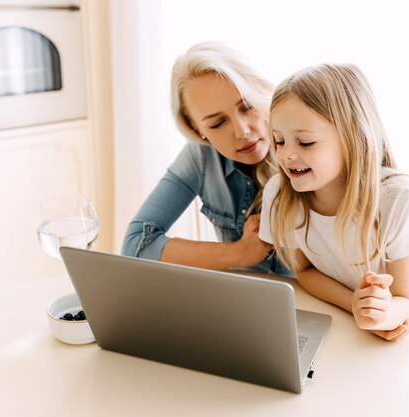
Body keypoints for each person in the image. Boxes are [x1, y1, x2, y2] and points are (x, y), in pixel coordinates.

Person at [259, 63, 409, 342]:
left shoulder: (397, 197)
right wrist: (356, 306)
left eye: (306, 143)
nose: (286, 155)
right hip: (354, 318)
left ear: (353, 137)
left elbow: (406, 300)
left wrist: (381, 316)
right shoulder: (280, 194)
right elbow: (305, 271)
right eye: (279, 141)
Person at [122, 41, 291, 276]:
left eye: (247, 106)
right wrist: (239, 253)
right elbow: (136, 245)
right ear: (196, 128)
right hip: (244, 303)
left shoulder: (303, 139)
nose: (242, 131)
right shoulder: (200, 156)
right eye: (218, 123)